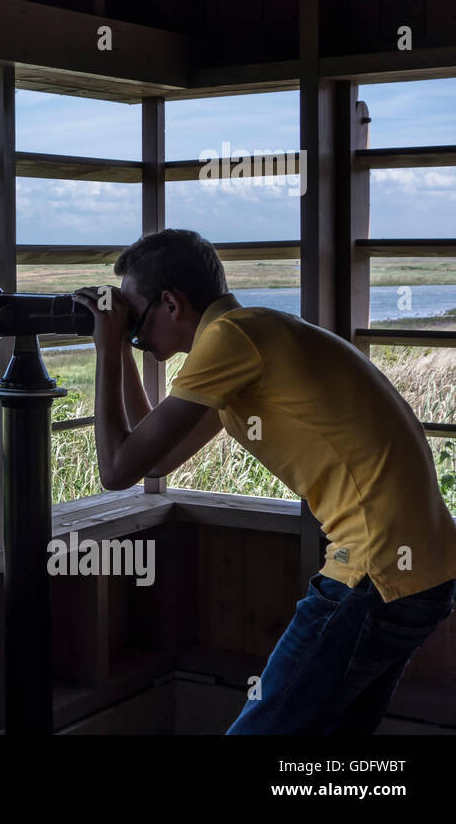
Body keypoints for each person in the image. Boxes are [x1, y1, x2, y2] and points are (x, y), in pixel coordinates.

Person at [70, 228, 456, 734]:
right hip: (423, 573)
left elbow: (116, 469)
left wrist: (105, 347)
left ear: (171, 303)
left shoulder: (232, 340)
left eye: (137, 324)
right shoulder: (251, 334)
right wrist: (121, 347)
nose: (135, 337)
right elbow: (155, 461)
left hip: (374, 573)